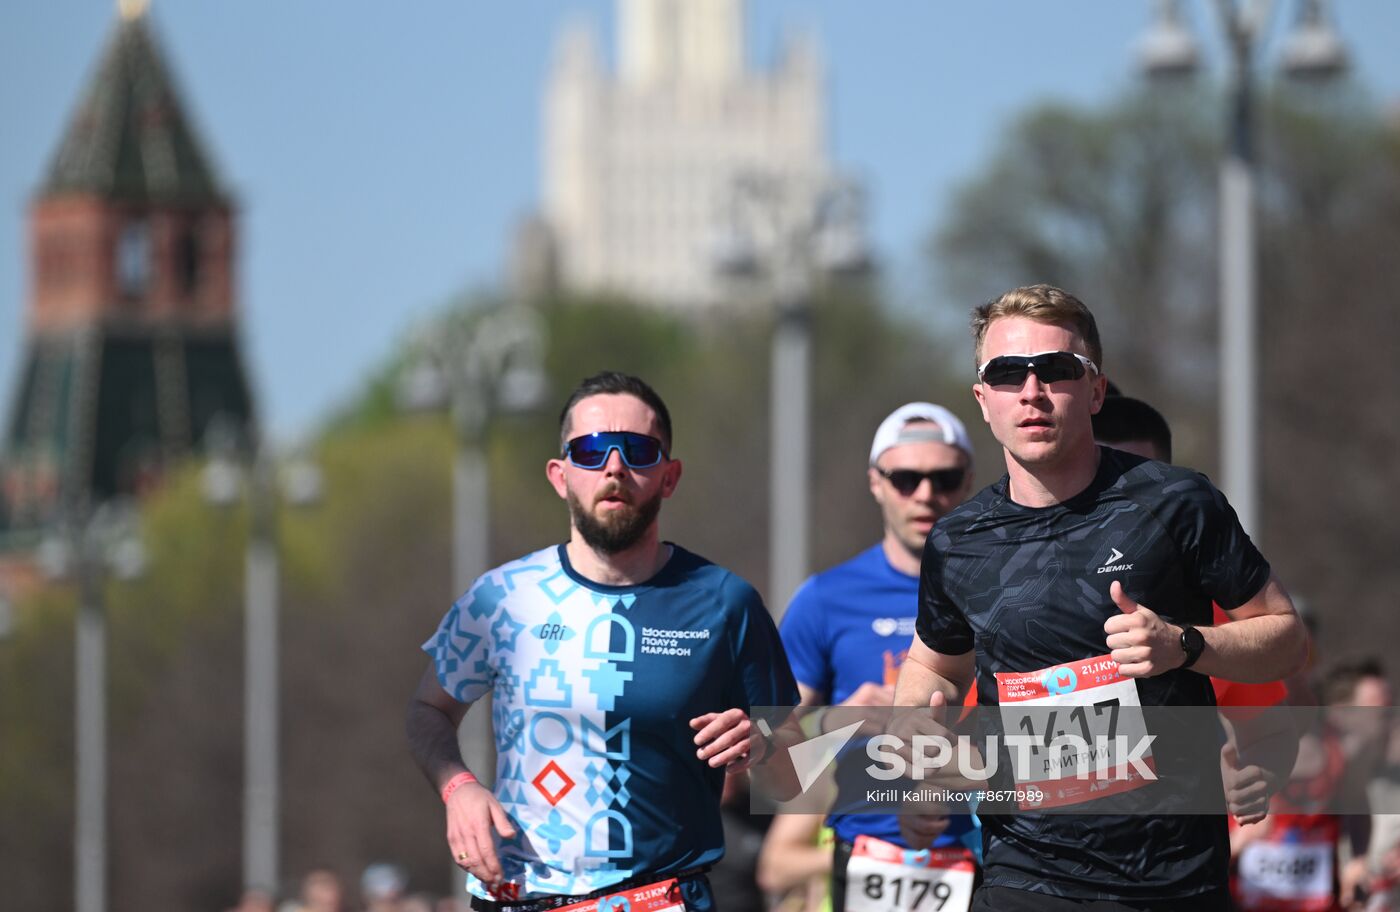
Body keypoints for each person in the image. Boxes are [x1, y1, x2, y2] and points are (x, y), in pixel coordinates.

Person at [893, 284, 1310, 910]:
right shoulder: (957, 541)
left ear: (1094, 389)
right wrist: (917, 728)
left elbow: (1286, 641)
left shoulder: (1175, 503)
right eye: (1008, 374)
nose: (1031, 392)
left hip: (1170, 880)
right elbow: (933, 666)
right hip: (1024, 875)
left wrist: (1184, 645)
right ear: (983, 400)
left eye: (1055, 370)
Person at [406, 371, 800, 912]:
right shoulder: (500, 597)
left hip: (661, 895)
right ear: (560, 474)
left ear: (669, 476)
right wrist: (458, 789)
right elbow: (429, 709)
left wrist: (762, 745)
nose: (615, 467)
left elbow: (800, 769)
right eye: (591, 451)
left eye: (638, 450)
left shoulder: (725, 601)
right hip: (519, 898)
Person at [770, 403, 980, 912]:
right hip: (865, 861)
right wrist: (835, 721)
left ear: (968, 481)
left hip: (992, 857)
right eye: (906, 478)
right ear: (875, 482)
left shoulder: (1001, 590)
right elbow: (771, 757)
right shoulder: (825, 599)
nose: (926, 495)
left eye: (944, 478)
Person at [1092, 392, 1299, 827]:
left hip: (1180, 872)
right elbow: (962, 752)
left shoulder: (1216, 623)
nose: (1124, 508)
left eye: (1141, 482)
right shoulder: (1024, 608)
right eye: (1105, 486)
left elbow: (1273, 733)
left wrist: (1259, 775)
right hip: (1044, 874)